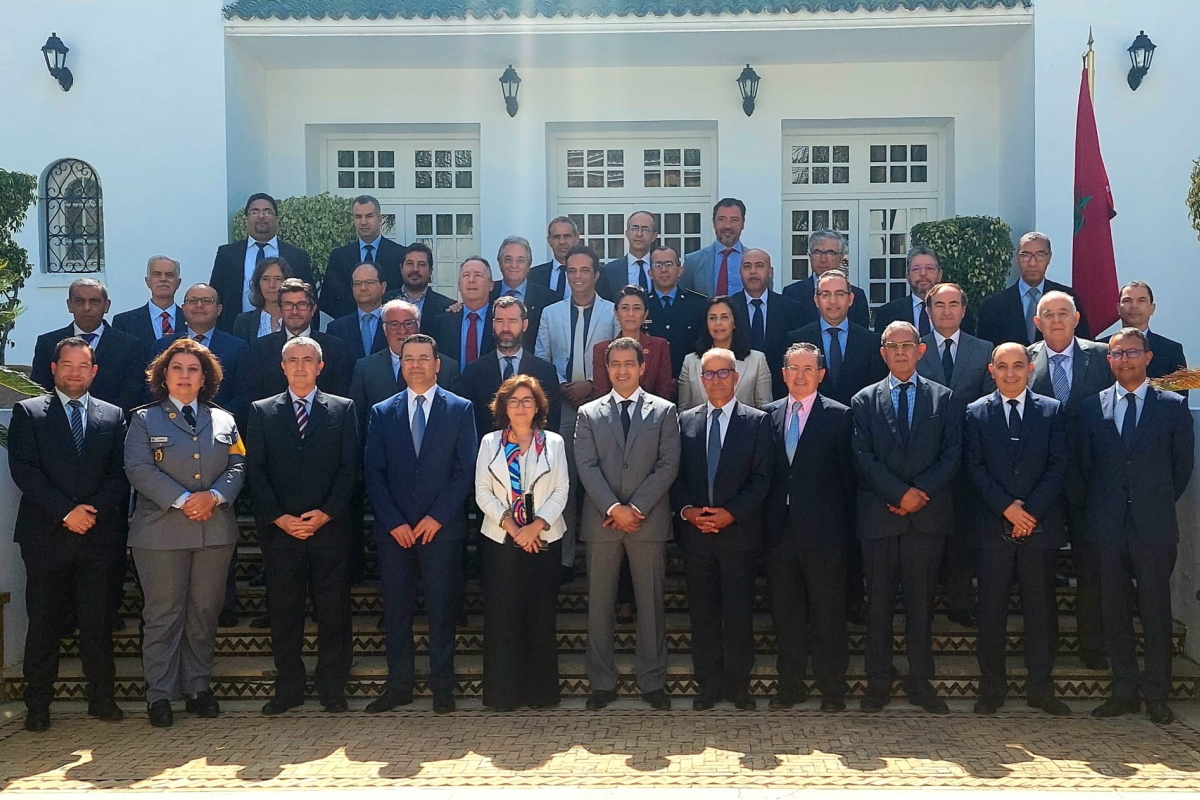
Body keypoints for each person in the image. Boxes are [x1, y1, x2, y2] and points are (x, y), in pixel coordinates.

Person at [9, 337, 129, 732]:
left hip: (98, 536)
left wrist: (89, 513)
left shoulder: (113, 416)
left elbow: (120, 474)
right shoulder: (29, 412)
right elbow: (25, 471)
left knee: (98, 622)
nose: (75, 372)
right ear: (54, 368)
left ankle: (102, 697)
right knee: (43, 623)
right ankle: (38, 704)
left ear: (94, 371)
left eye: (83, 365)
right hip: (46, 536)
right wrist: (65, 511)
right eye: (68, 365)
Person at [125, 338, 245, 728]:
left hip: (214, 530)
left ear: (205, 377)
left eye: (193, 369)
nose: (184, 375)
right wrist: (181, 499)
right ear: (163, 375)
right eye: (176, 368)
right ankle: (159, 694)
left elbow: (238, 466)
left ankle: (197, 687)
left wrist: (214, 496)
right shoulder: (144, 419)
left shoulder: (225, 419)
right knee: (163, 614)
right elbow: (139, 469)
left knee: (203, 613)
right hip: (160, 534)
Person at [362, 334, 478, 715]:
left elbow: (464, 472)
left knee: (442, 611)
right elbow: (373, 473)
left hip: (441, 530)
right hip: (394, 532)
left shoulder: (460, 409)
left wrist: (436, 517)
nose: (416, 365)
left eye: (423, 358)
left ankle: (443, 686)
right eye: (408, 358)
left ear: (437, 363)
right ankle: (400, 686)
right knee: (396, 612)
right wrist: (394, 521)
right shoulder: (382, 411)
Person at [1084, 328, 1194, 725]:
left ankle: (1157, 693)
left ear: (1148, 357)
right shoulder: (1091, 407)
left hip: (1153, 525)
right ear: (1108, 360)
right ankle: (1124, 690)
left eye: (1132, 352)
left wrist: (1153, 501)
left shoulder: (1172, 406)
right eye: (1116, 354)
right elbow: (1086, 469)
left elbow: (1181, 468)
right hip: (1107, 525)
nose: (1124, 359)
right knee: (1113, 610)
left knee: (1155, 612)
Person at [246, 336, 360, 715]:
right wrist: (279, 517)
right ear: (282, 367)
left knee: (333, 610)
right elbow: (256, 471)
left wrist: (326, 512)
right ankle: (289, 687)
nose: (299, 366)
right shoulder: (261, 411)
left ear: (320, 366)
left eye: (307, 360)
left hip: (328, 528)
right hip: (282, 531)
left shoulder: (342, 410)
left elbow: (349, 468)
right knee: (284, 610)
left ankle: (332, 686)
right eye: (292, 360)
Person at [852, 321, 961, 715]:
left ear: (921, 350)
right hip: (880, 518)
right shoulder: (863, 400)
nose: (900, 351)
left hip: (926, 519)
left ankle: (921, 682)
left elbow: (951, 454)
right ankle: (877, 682)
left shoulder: (944, 399)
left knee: (921, 606)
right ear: (882, 353)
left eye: (907, 344)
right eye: (892, 345)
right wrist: (899, 493)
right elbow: (862, 457)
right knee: (878, 605)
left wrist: (918, 494)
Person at [964, 342, 1071, 717]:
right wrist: (1007, 508)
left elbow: (1059, 466)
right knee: (991, 612)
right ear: (991, 371)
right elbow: (973, 468)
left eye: (1018, 366)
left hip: (1039, 529)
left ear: (1030, 369)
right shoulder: (975, 413)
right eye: (1002, 366)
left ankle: (1040, 688)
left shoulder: (1052, 411)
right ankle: (991, 688)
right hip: (993, 527)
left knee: (1041, 613)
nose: (1011, 373)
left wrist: (1030, 512)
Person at [575, 337, 681, 710]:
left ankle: (653, 681)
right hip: (602, 523)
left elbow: (668, 465)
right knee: (599, 606)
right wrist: (613, 508)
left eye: (629, 364)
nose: (622, 370)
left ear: (641, 367)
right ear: (607, 369)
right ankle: (601, 682)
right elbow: (586, 467)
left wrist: (635, 507)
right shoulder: (588, 414)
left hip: (647, 522)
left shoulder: (665, 411)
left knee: (651, 604)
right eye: (615, 364)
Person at [672, 347, 773, 710]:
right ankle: (709, 684)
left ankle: (738, 684)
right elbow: (676, 477)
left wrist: (732, 513)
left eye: (722, 373)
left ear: (736, 377)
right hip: (696, 535)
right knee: (703, 612)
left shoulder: (757, 421)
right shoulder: (684, 421)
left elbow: (762, 479)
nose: (715, 380)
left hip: (739, 534)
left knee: (738, 611)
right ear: (701, 380)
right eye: (708, 374)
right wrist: (687, 511)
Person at [763, 343, 854, 712]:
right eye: (793, 369)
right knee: (785, 612)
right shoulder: (766, 416)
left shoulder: (840, 416)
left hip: (825, 533)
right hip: (777, 532)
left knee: (828, 611)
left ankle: (832, 687)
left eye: (808, 369)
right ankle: (791, 684)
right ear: (783, 374)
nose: (800, 375)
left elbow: (849, 479)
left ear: (821, 374)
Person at [474, 375, 570, 711]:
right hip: (502, 539)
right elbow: (482, 492)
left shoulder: (554, 443)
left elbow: (561, 490)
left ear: (538, 406)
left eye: (527, 400)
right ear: (503, 406)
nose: (520, 406)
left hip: (544, 539)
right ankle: (504, 695)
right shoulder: (489, 443)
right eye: (513, 401)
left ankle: (541, 694)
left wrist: (536, 527)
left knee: (540, 614)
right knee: (503, 616)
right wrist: (516, 529)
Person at [1028, 290, 1111, 671]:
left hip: (1090, 481)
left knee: (1090, 566)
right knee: (1039, 570)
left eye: (1064, 313)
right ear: (1037, 322)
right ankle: (1044, 647)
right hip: (1039, 482)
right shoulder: (1023, 361)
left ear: (1077, 319)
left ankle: (1092, 644)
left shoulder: (1102, 357)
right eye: (1049, 314)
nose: (1057, 320)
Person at [535, 244, 618, 581]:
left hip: (603, 407)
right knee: (564, 482)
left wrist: (593, 387)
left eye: (585, 270)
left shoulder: (613, 312)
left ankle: (603, 557)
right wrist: (563, 386)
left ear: (596, 275)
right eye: (572, 271)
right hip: (563, 406)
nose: (578, 277)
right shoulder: (550, 313)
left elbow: (618, 358)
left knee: (604, 481)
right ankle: (566, 559)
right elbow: (541, 356)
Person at [916, 281, 995, 628]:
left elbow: (989, 406)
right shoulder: (913, 350)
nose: (946, 311)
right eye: (939, 305)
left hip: (967, 456)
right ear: (928, 311)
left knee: (961, 534)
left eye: (953, 305)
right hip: (924, 458)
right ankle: (923, 602)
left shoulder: (983, 349)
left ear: (964, 310)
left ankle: (961, 602)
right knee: (926, 535)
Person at [32, 278, 149, 413]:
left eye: (94, 301)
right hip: (58, 426)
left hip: (112, 427)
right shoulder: (48, 343)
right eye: (79, 301)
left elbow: (132, 395)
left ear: (107, 305)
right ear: (69, 305)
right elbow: (38, 391)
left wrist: (105, 420)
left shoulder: (130, 345)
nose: (87, 308)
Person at [349, 300, 463, 431]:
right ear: (384, 329)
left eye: (408, 323)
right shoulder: (366, 368)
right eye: (394, 324)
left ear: (418, 326)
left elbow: (455, 422)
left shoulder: (447, 367)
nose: (402, 331)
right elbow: (357, 423)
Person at [211, 193, 314, 332]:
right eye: (255, 212)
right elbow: (216, 296)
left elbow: (309, 299)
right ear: (246, 219)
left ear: (277, 219)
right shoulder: (227, 254)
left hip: (285, 332)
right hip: (237, 332)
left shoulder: (297, 256)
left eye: (267, 211)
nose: (261, 216)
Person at [462, 295, 560, 437]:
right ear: (492, 324)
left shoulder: (545, 372)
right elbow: (468, 426)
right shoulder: (474, 372)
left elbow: (551, 423)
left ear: (525, 325)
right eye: (500, 321)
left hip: (533, 454)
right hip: (488, 454)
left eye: (512, 321)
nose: (505, 328)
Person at [786, 270, 887, 408]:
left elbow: (877, 392)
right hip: (812, 423)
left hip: (858, 423)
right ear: (816, 300)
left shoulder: (871, 341)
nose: (832, 301)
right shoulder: (797, 340)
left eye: (839, 294)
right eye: (825, 294)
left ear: (850, 299)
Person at [975, 231, 1091, 346]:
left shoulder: (1067, 298)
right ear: (1017, 258)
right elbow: (985, 353)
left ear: (1049, 257)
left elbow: (1083, 345)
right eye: (1026, 255)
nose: (1032, 263)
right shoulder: (993, 306)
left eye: (1040, 255)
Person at [245, 278, 352, 401]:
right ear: (280, 310)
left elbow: (340, 398)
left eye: (301, 305)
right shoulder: (261, 349)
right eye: (288, 305)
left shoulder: (335, 347)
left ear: (313, 309)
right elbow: (253, 396)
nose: (294, 311)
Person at [155, 284, 248, 423]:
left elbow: (243, 396)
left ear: (219, 309)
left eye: (207, 301)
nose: (199, 305)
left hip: (219, 428)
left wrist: (211, 419)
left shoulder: (238, 348)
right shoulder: (163, 346)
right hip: (170, 425)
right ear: (184, 308)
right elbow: (154, 389)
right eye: (192, 300)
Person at [727, 248, 804, 400]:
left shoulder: (791, 308)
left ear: (770, 271)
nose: (753, 271)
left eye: (760, 265)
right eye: (747, 266)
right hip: (739, 389)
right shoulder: (728, 308)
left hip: (782, 390)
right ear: (740, 272)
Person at [319, 195, 404, 320]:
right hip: (350, 330)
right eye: (358, 217)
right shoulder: (339, 257)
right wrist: (355, 319)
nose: (363, 222)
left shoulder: (400, 254)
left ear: (380, 219)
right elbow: (327, 300)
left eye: (369, 216)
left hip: (390, 325)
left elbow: (405, 294)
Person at [678, 296, 771, 410]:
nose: (718, 323)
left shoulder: (757, 361)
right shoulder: (690, 362)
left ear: (735, 322)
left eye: (724, 317)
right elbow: (683, 411)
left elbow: (765, 409)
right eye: (712, 318)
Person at [591, 285, 674, 401]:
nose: (630, 314)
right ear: (616, 312)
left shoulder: (659, 346)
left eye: (637, 308)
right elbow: (601, 394)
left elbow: (663, 391)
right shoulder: (602, 349)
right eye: (625, 308)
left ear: (645, 314)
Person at [1107, 281, 1187, 396]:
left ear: (1152, 308)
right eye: (1127, 300)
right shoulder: (1099, 349)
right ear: (1118, 308)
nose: (1134, 306)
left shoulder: (1171, 351)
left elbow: (1179, 399)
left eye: (1141, 300)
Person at [780, 229, 870, 329]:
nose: (823, 259)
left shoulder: (857, 295)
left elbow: (862, 337)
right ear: (810, 256)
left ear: (841, 258)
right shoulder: (793, 293)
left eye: (830, 253)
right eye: (817, 252)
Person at [644, 244, 708, 381]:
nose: (664, 270)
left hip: (689, 380)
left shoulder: (698, 305)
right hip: (651, 383)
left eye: (669, 264)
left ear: (680, 270)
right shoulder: (641, 305)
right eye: (658, 265)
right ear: (650, 272)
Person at [425, 256, 496, 372]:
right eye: (466, 275)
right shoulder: (441, 323)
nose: (471, 280)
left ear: (491, 285)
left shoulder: (500, 321)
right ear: (458, 285)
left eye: (478, 275)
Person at [489, 235, 559, 344]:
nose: (514, 265)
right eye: (508, 259)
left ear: (529, 265)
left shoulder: (548, 299)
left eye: (520, 260)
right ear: (500, 263)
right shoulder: (487, 294)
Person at [678, 198, 747, 297]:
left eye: (734, 220)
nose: (728, 226)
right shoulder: (693, 262)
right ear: (714, 223)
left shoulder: (757, 262)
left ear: (743, 223)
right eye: (722, 219)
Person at [111, 255, 185, 345]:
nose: (163, 279)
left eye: (169, 275)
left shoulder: (190, 319)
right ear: (147, 281)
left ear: (178, 283)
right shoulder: (124, 322)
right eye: (157, 274)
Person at [871, 246, 943, 337]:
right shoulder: (888, 313)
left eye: (929, 268)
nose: (923, 273)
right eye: (916, 269)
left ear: (939, 275)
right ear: (908, 276)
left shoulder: (957, 312)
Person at [326, 262, 389, 362]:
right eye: (358, 283)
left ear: (383, 287)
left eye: (369, 282)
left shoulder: (396, 324)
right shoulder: (337, 328)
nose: (363, 288)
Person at [231, 256, 292, 342]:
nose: (271, 285)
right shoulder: (244, 321)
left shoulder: (297, 317)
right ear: (258, 283)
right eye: (265, 279)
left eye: (278, 279)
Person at [599, 211, 658, 300]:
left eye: (645, 229)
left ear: (654, 236)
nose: (639, 234)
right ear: (627, 233)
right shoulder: (609, 271)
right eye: (634, 228)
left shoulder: (661, 268)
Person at [387, 242, 455, 317]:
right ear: (401, 268)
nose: (415, 269)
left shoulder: (446, 306)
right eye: (410, 263)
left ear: (430, 271)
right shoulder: (384, 301)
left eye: (421, 264)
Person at [529, 215, 581, 301]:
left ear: (577, 238)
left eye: (567, 236)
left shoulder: (593, 274)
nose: (562, 242)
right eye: (556, 237)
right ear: (549, 241)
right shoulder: (533, 276)